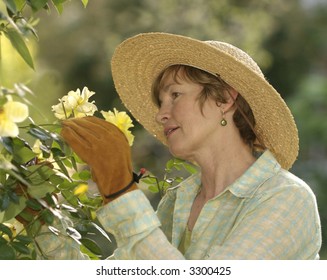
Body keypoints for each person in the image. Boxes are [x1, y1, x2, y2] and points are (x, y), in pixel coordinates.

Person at [41, 32, 322, 259]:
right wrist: (41, 218)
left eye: (175, 94)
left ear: (224, 100)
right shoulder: (178, 200)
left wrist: (119, 188)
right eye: (161, 102)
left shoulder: (286, 198)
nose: (160, 114)